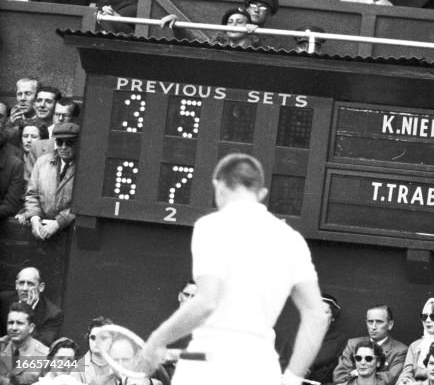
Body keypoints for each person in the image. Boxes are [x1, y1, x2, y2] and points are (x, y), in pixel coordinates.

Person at [138, 153, 329, 385]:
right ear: (261, 194)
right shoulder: (293, 240)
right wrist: (291, 380)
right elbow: (317, 316)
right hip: (262, 369)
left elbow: (206, 301)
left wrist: (156, 341)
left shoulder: (211, 226)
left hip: (207, 368)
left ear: (218, 186)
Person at [16, 122, 79, 240]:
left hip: (70, 233)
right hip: (41, 228)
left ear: (78, 143)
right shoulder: (42, 162)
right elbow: (31, 195)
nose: (63, 147)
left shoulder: (84, 168)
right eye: (60, 142)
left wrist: (58, 223)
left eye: (69, 143)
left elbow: (82, 203)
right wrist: (34, 218)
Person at [335, 305, 409, 385]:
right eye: (370, 322)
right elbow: (339, 377)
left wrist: (357, 373)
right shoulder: (353, 344)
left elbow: (390, 380)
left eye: (379, 322)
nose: (373, 327)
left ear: (390, 324)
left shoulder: (400, 350)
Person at [0, 267, 64, 345]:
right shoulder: (3, 300)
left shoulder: (53, 314)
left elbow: (42, 344)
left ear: (41, 287)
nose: (24, 288)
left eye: (30, 284)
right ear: (16, 285)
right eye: (21, 283)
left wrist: (27, 309)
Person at [0, 301, 49, 383]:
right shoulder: (2, 346)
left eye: (19, 323)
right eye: (10, 323)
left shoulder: (44, 355)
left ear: (31, 328)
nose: (14, 327)